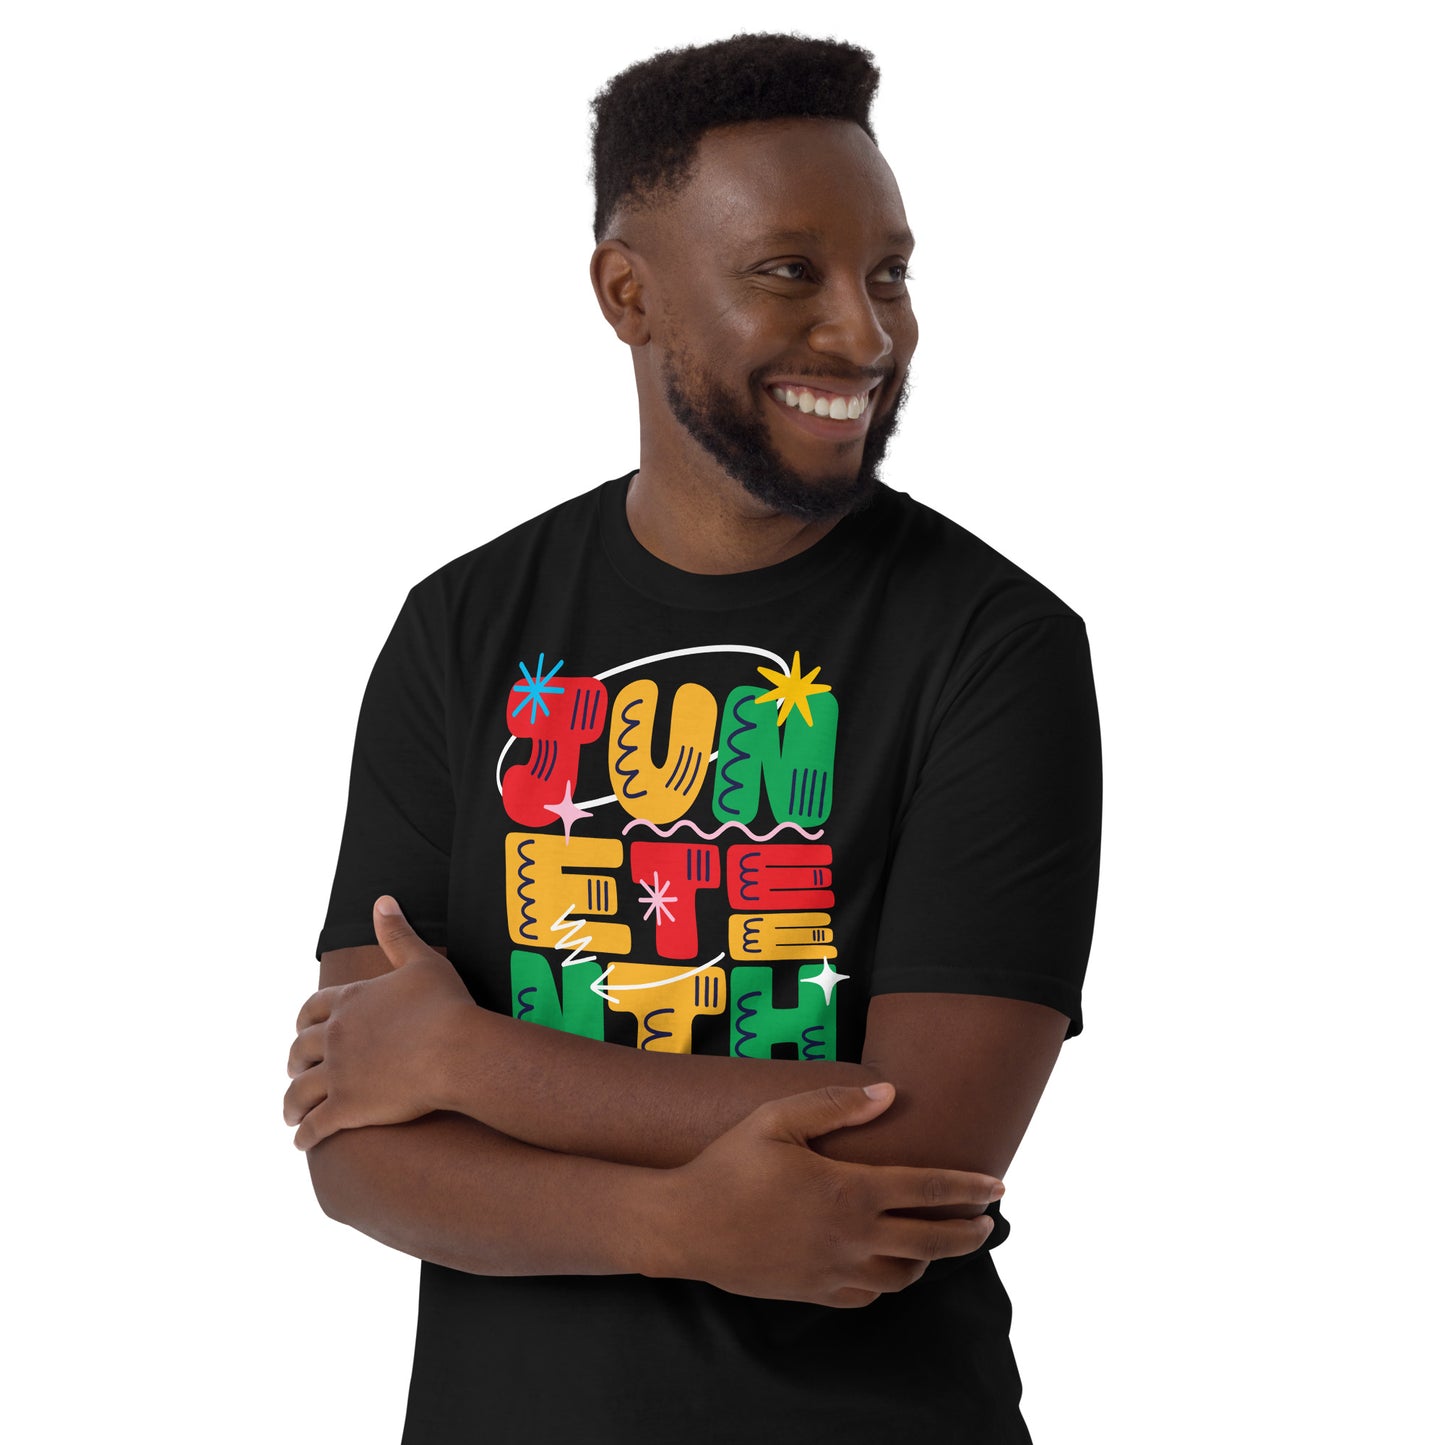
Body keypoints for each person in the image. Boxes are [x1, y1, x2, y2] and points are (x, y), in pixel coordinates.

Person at [284, 33, 1102, 1444]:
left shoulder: (996, 643)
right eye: (790, 271)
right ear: (628, 294)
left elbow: (924, 1147)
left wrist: (471, 1063)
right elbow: (358, 1135)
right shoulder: (461, 624)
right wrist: (675, 1220)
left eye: (889, 273)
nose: (865, 333)